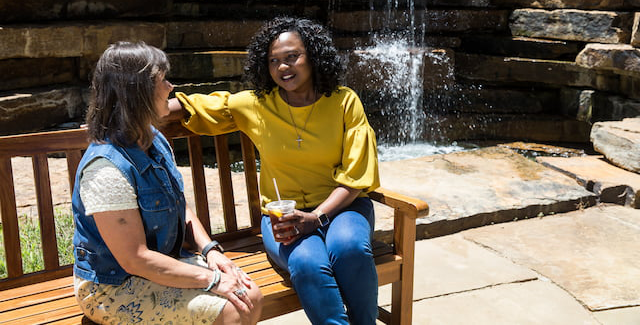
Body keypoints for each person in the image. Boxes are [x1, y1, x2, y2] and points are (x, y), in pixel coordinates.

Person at [168, 17, 381, 324]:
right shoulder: (256, 104)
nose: (283, 67)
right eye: (274, 61)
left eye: (292, 57)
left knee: (349, 248)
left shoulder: (344, 101)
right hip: (283, 217)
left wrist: (316, 217)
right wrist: (148, 110)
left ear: (314, 56)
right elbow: (199, 106)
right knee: (308, 262)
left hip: (342, 208)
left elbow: (356, 177)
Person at [71, 41, 262, 325]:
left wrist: (210, 251)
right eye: (162, 80)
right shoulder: (106, 169)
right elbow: (134, 259)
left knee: (250, 294)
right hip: (114, 286)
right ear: (137, 92)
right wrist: (211, 279)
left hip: (162, 264)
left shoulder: (153, 139)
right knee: (233, 308)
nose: (171, 87)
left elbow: (178, 204)